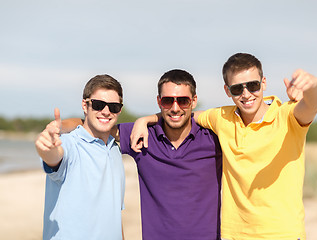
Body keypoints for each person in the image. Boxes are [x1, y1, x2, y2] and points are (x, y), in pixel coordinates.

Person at [131, 53, 317, 240]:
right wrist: (146, 119)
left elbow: (312, 105)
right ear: (227, 90)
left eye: (253, 85)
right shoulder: (222, 117)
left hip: (282, 234)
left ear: (264, 83)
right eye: (237, 89)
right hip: (234, 235)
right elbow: (180, 114)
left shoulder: (287, 116)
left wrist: (313, 87)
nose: (246, 94)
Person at [61, 69, 223, 240]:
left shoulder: (214, 138)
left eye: (183, 101)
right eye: (168, 101)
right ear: (159, 101)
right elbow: (91, 124)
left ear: (194, 101)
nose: (175, 108)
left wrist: (146, 118)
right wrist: (57, 126)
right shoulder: (142, 136)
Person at [35, 74, 126, 240]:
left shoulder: (115, 150)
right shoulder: (70, 144)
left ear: (119, 109)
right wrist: (46, 149)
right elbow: (55, 158)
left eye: (113, 107)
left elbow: (114, 214)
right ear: (85, 105)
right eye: (98, 105)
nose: (106, 112)